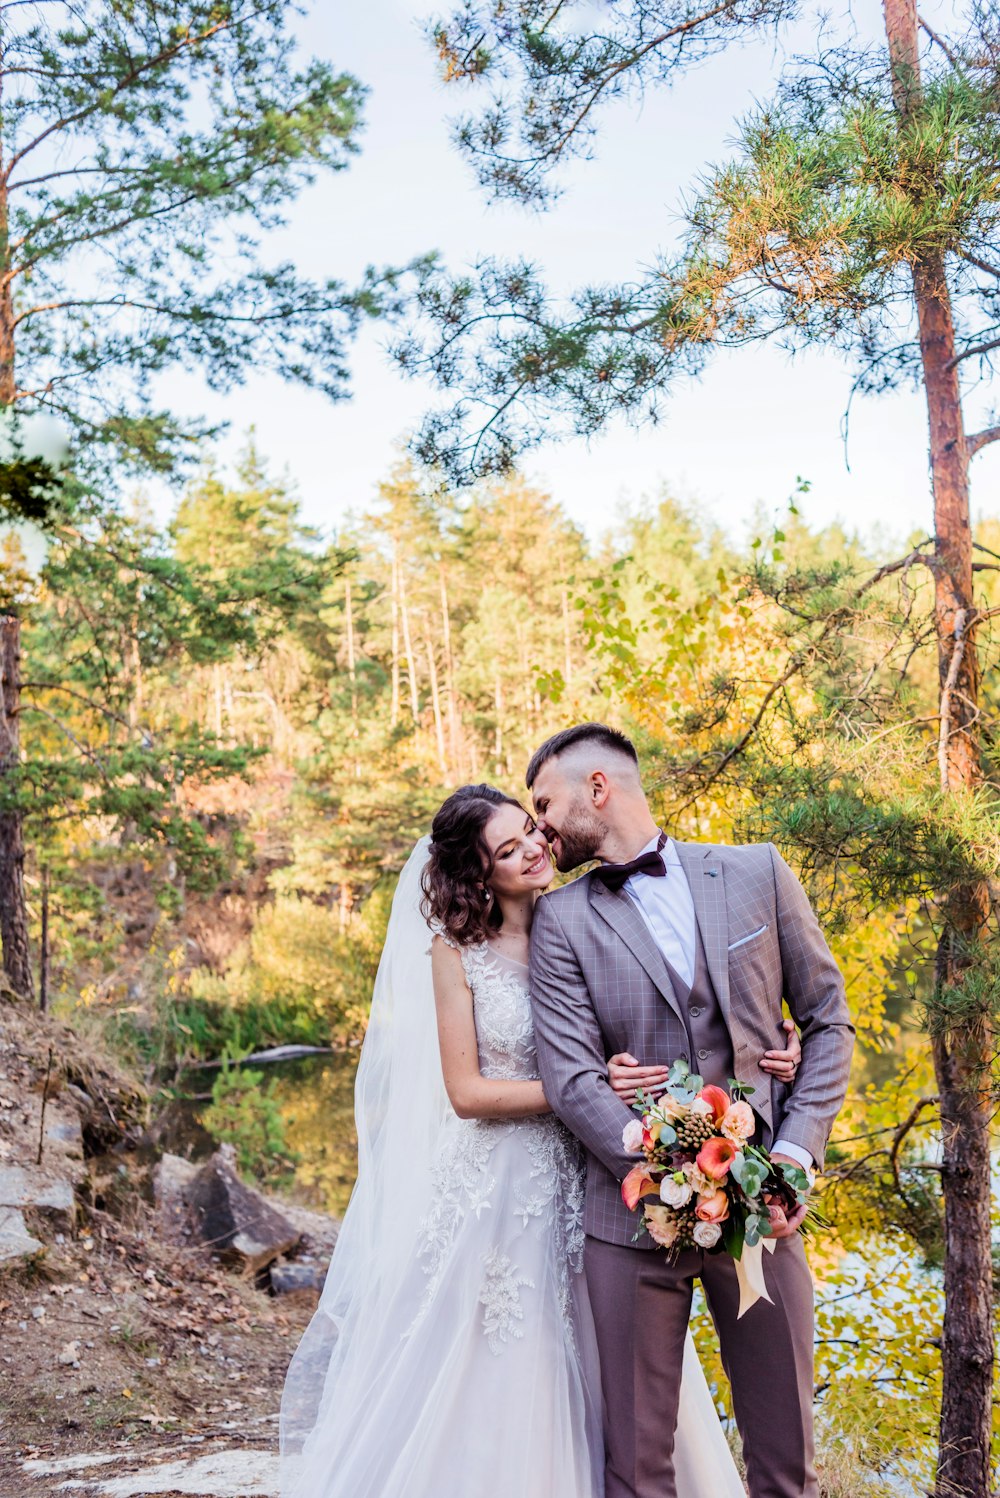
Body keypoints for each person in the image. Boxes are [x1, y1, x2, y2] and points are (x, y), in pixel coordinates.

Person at [279, 782, 803, 1498]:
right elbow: (466, 1093)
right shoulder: (455, 952)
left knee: (620, 1366)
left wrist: (774, 1042)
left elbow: (673, 1012)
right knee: (506, 1358)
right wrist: (585, 1088)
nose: (531, 847)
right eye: (506, 848)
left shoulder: (587, 913)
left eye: (528, 829)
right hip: (505, 1186)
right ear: (479, 872)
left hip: (599, 1173)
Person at [525, 724, 856, 1498]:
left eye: (545, 803)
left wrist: (795, 1162)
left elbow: (829, 1022)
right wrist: (669, 1171)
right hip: (631, 1225)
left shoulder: (757, 872)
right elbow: (572, 1078)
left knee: (786, 1462)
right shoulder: (560, 921)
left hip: (767, 1218)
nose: (538, 824)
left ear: (597, 789)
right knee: (637, 1470)